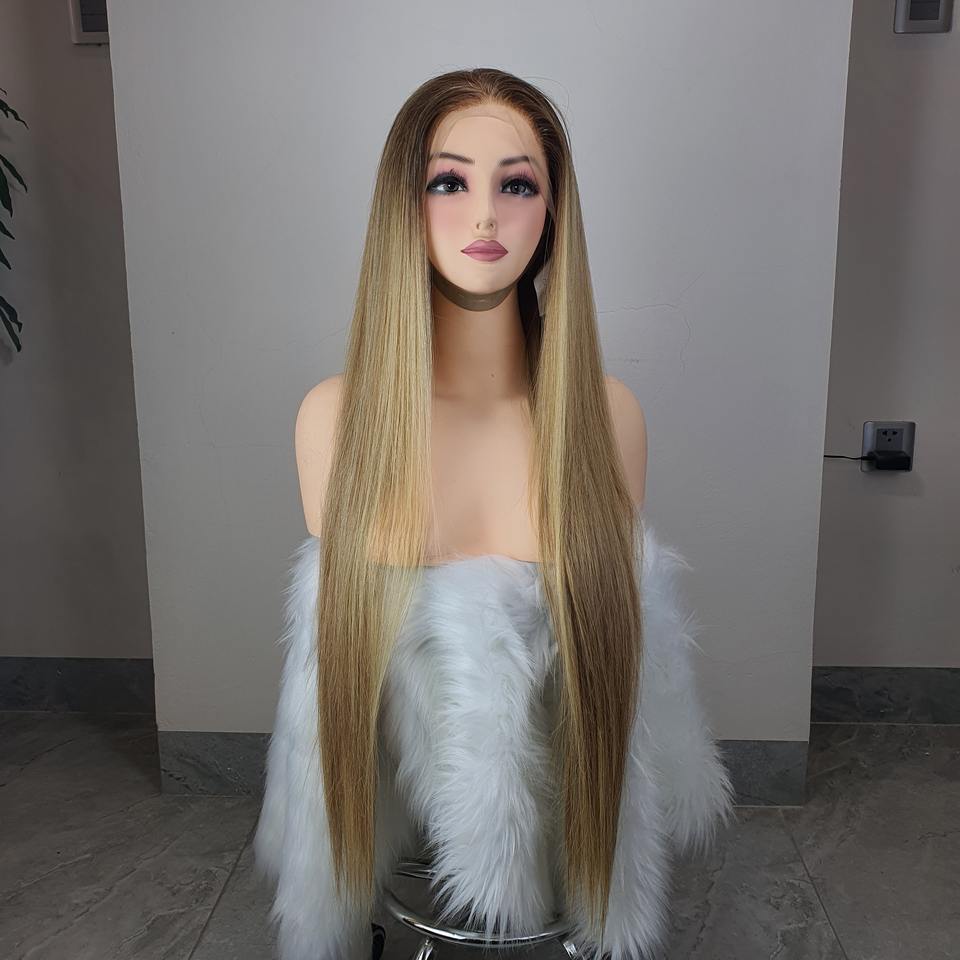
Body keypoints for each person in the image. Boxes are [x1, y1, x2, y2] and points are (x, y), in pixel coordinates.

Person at [253, 67, 735, 960]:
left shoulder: (608, 418)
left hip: (568, 807)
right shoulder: (336, 420)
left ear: (552, 213)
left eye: (517, 185)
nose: (484, 216)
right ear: (403, 205)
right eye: (448, 181)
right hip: (397, 812)